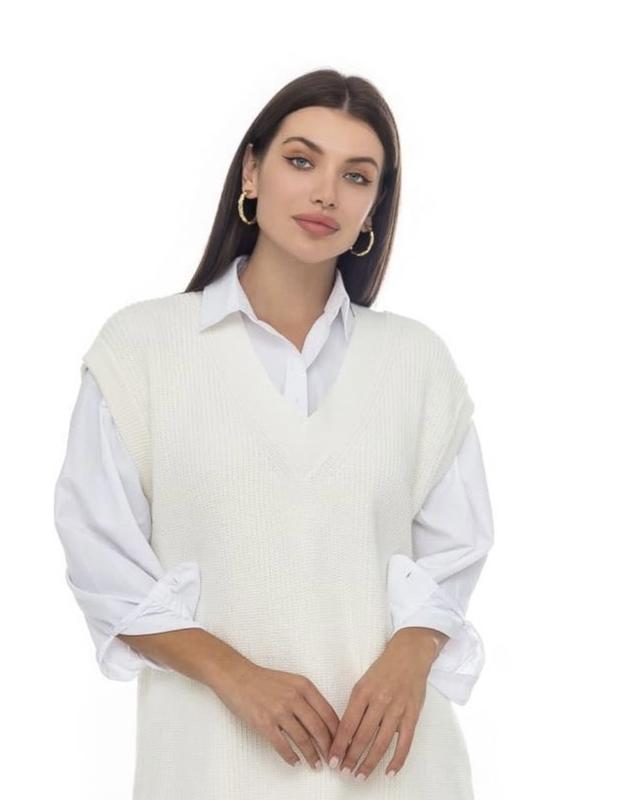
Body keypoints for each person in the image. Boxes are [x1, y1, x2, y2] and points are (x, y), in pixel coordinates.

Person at [54, 69, 494, 799]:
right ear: (251, 173)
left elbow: (457, 552)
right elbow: (104, 567)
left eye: (356, 176)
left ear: (374, 207)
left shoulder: (416, 363)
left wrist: (412, 652)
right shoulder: (141, 352)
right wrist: (237, 676)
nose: (326, 193)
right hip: (210, 769)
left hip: (395, 772)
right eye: (301, 160)